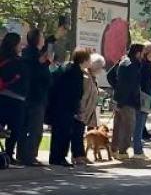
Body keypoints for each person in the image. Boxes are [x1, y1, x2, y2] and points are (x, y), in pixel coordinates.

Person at [47, 48, 88, 166]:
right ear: (84, 60)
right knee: (64, 133)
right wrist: (77, 109)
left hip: (58, 105)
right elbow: (76, 93)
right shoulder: (76, 72)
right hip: (66, 107)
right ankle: (60, 157)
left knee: (57, 133)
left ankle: (54, 157)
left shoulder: (67, 68)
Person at [19, 29, 52, 166]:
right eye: (42, 37)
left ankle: (22, 155)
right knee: (35, 129)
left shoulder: (29, 54)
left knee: (25, 128)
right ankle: (30, 156)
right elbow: (39, 74)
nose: (43, 39)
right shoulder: (34, 57)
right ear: (37, 39)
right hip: (36, 97)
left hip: (29, 96)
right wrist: (44, 63)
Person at [107, 43, 145, 160]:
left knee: (117, 126)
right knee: (128, 127)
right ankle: (122, 152)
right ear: (138, 53)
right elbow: (131, 86)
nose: (143, 56)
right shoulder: (133, 65)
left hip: (118, 98)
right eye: (142, 53)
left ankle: (113, 150)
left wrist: (116, 87)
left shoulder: (123, 61)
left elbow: (110, 75)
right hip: (128, 101)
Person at [0, 33, 26, 162]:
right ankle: (9, 153)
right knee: (14, 128)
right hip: (15, 98)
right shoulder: (17, 61)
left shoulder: (2, 57)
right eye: (19, 43)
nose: (21, 46)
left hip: (2, 95)